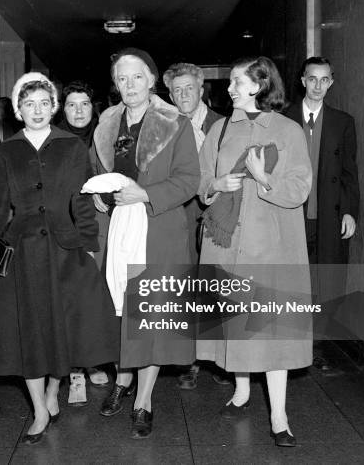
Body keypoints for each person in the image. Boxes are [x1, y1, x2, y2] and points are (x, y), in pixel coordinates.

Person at [0, 72, 119, 444]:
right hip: (21, 251)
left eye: (44, 103)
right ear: (18, 111)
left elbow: (82, 198)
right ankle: (39, 408)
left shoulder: (70, 146)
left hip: (63, 249)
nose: (37, 110)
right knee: (29, 331)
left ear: (53, 107)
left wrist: (89, 243)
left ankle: (52, 394)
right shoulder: (6, 151)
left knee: (62, 329)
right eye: (29, 104)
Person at [198, 56, 312, 447]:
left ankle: (279, 416)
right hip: (226, 246)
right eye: (230, 81)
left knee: (270, 333)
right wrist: (217, 184)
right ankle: (242, 392)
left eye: (236, 81)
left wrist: (264, 180)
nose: (229, 88)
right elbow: (202, 186)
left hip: (271, 248)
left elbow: (299, 189)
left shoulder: (288, 130)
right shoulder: (219, 128)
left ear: (259, 85)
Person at [92, 48, 200, 439]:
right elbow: (96, 175)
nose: (130, 85)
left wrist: (145, 193)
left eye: (137, 77)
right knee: (123, 310)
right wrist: (101, 197)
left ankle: (144, 400)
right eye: (122, 78)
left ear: (153, 80)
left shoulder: (175, 123)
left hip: (160, 229)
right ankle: (124, 380)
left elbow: (190, 180)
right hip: (120, 227)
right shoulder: (106, 123)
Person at [163, 62, 229, 389]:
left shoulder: (225, 124)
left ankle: (218, 358)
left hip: (216, 218)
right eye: (177, 90)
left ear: (201, 89)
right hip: (180, 218)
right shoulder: (164, 127)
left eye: (189, 88)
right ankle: (189, 359)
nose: (183, 94)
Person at [284, 57, 359, 306]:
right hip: (292, 214)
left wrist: (349, 212)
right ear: (303, 80)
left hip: (329, 214)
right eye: (313, 79)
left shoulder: (343, 122)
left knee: (327, 283)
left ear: (331, 83)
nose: (318, 86)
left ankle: (323, 338)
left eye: (324, 79)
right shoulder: (283, 119)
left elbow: (349, 172)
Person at [57, 80, 109, 405]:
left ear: (94, 107)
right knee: (71, 300)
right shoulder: (53, 140)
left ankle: (93, 360)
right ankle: (75, 371)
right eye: (72, 104)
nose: (79, 111)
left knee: (95, 297)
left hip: (101, 225)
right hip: (67, 227)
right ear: (62, 109)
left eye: (85, 104)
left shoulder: (106, 135)